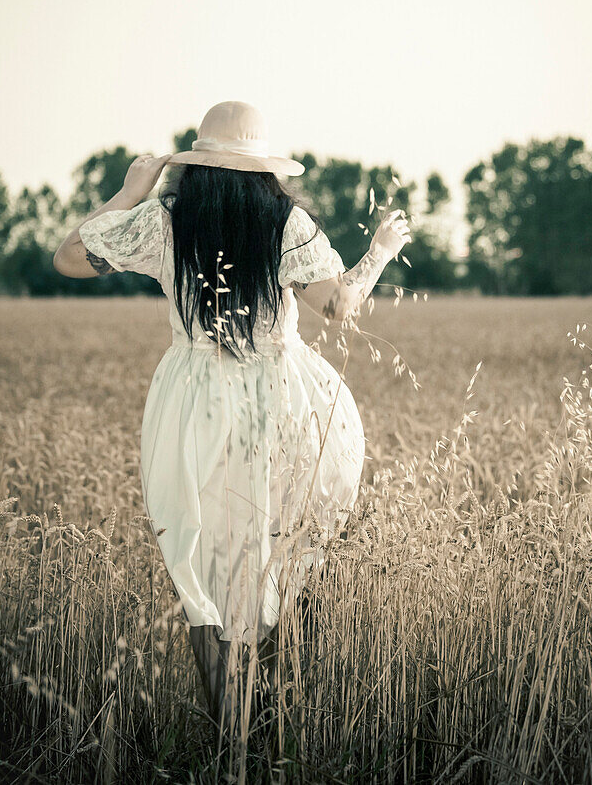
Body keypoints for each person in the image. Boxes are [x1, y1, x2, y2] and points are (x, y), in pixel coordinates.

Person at [53, 100, 411, 731]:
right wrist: (379, 251)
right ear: (265, 169)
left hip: (194, 402)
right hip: (284, 400)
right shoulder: (286, 223)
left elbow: (68, 257)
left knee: (204, 570)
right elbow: (342, 309)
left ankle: (227, 734)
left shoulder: (165, 221)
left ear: (196, 164)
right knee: (276, 557)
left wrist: (127, 192)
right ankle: (268, 729)